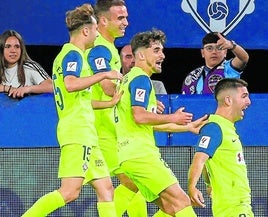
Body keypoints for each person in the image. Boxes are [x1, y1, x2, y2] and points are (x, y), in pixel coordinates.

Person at [21, 3, 123, 217]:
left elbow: (79, 99)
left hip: (87, 132)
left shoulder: (73, 55)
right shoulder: (72, 55)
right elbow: (70, 84)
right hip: (77, 132)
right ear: (86, 30)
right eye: (95, 29)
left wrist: (109, 103)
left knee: (106, 190)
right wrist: (103, 75)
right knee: (69, 192)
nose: (97, 34)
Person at [115, 28, 208, 217]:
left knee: (170, 209)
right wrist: (173, 117)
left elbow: (146, 123)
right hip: (141, 156)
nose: (163, 56)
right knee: (181, 202)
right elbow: (139, 116)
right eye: (156, 50)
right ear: (140, 54)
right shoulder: (140, 79)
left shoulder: (128, 80)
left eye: (162, 50)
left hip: (128, 156)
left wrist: (186, 127)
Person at [86, 1, 149, 216]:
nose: (126, 23)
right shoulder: (100, 48)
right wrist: (139, 101)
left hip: (111, 130)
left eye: (126, 17)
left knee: (136, 183)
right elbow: (107, 87)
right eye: (120, 18)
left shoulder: (109, 47)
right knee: (132, 182)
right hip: (102, 132)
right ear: (103, 20)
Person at [188, 78, 254, 217]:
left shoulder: (227, 128)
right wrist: (192, 187)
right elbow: (199, 159)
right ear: (228, 100)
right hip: (233, 208)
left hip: (239, 207)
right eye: (244, 96)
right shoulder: (215, 127)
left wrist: (208, 184)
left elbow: (206, 163)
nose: (249, 102)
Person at [181, 32, 249, 94]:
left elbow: (243, 58)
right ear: (203, 53)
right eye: (209, 48)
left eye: (219, 48)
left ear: (225, 52)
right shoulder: (193, 75)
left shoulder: (229, 68)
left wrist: (232, 46)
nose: (214, 52)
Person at [0, 30, 53, 98]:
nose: (13, 51)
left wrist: (28, 89)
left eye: (17, 46)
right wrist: (6, 88)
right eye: (8, 46)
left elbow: (52, 87)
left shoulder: (29, 66)